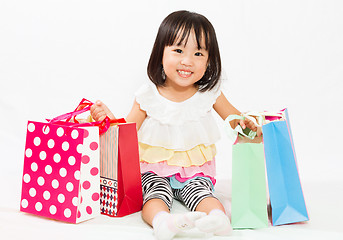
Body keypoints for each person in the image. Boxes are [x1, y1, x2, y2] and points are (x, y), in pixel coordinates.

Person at [90, 10, 258, 240]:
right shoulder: (148, 95)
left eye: (198, 53)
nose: (187, 61)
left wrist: (250, 125)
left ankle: (218, 218)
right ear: (161, 53)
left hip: (195, 171)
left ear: (209, 60)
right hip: (153, 169)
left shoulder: (210, 94)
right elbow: (125, 132)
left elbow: (236, 120)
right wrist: (107, 118)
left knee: (203, 194)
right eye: (178, 50)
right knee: (154, 196)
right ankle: (163, 222)